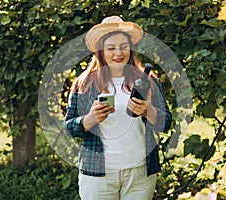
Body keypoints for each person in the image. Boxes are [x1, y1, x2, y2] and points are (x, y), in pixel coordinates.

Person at [63, 16, 172, 200]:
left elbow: (166, 123)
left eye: (123, 47)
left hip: (140, 173)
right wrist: (90, 119)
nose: (118, 53)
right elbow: (69, 128)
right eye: (111, 48)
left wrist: (148, 111)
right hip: (98, 176)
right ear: (100, 51)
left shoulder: (148, 81)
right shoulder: (85, 83)